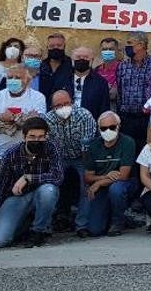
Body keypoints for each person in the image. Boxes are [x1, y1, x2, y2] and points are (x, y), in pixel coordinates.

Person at [0, 117, 62, 248]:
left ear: (46, 136)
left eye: (41, 137)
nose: (37, 140)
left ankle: (38, 231)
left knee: (49, 191)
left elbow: (57, 176)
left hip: (41, 193)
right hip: (17, 197)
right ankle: (24, 226)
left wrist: (28, 177)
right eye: (32, 136)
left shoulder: (52, 148)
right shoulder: (11, 154)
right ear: (24, 137)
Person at [44, 89, 97, 232]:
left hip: (82, 157)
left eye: (66, 103)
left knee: (86, 185)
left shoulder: (84, 115)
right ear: (52, 108)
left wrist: (86, 172)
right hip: (59, 157)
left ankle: (82, 225)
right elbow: (48, 148)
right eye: (58, 105)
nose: (63, 108)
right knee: (50, 185)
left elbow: (88, 147)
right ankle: (46, 226)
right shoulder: (47, 120)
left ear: (72, 102)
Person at [79, 111, 136, 237]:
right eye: (104, 128)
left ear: (118, 126)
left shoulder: (127, 142)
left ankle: (118, 222)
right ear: (99, 129)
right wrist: (105, 177)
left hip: (124, 184)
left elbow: (123, 175)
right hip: (102, 187)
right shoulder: (93, 146)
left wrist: (99, 182)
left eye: (112, 127)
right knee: (95, 230)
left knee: (116, 189)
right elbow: (88, 177)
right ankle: (115, 218)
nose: (108, 131)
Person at [0, 64, 47, 160]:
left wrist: (9, 118)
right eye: (10, 77)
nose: (13, 80)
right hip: (0, 154)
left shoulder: (37, 97)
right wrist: (23, 121)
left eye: (17, 77)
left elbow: (36, 125)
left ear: (27, 80)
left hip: (27, 154)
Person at [115, 31, 151, 152]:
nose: (127, 47)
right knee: (127, 153)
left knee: (146, 152)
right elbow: (120, 91)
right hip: (127, 119)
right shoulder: (122, 66)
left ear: (141, 45)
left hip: (147, 119)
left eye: (130, 43)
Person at [69, 46, 110, 121]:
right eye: (78, 57)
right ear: (72, 60)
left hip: (91, 125)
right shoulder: (62, 80)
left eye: (86, 57)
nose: (82, 59)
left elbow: (104, 109)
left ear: (92, 61)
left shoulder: (101, 83)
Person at [38, 32, 74, 99]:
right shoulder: (41, 65)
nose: (55, 48)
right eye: (52, 46)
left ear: (64, 46)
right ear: (47, 47)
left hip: (63, 105)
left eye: (59, 45)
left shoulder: (72, 65)